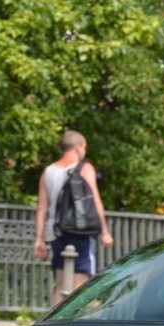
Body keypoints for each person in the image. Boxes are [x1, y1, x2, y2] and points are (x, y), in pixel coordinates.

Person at [34, 130, 114, 305]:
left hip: (55, 232)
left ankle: (53, 325)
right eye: (84, 147)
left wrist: (39, 239)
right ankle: (75, 324)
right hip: (80, 230)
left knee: (62, 281)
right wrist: (105, 232)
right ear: (78, 148)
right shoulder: (85, 168)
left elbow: (42, 208)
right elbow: (95, 200)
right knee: (81, 280)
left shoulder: (48, 172)